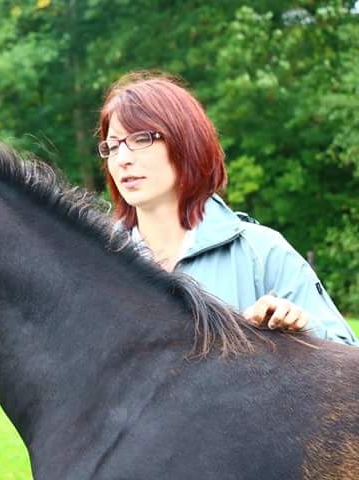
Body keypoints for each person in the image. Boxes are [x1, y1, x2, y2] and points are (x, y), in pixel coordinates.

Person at [97, 71, 356, 346]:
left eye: (140, 139)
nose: (122, 159)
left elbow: (346, 357)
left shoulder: (259, 252)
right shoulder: (97, 263)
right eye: (112, 146)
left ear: (185, 143)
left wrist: (304, 328)